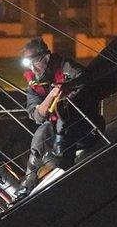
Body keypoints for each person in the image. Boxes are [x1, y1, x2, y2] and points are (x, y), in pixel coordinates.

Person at [20, 37, 86, 190]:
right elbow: (36, 116)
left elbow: (86, 76)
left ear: (47, 57)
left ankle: (62, 157)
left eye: (36, 62)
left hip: (81, 124)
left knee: (64, 113)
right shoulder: (33, 85)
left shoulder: (65, 66)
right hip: (56, 131)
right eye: (29, 65)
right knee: (41, 132)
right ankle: (29, 182)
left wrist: (68, 86)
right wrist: (52, 95)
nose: (33, 69)